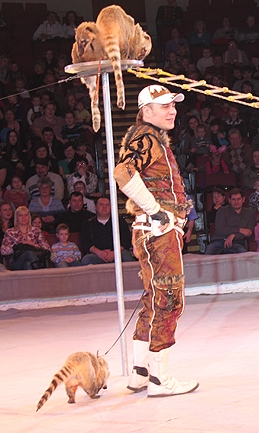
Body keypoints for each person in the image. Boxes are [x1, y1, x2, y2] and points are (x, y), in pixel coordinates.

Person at [110, 85, 198, 396]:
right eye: (164, 106)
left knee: (153, 298)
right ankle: (161, 379)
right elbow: (122, 173)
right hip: (158, 232)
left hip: (153, 231)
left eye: (173, 105)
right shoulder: (146, 137)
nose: (172, 110)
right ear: (146, 112)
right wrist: (157, 211)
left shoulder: (150, 138)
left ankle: (141, 372)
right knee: (170, 299)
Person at [80, 196, 133, 265]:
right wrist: (99, 253)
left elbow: (126, 240)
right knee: (86, 259)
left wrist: (114, 252)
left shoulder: (120, 222)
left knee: (126, 256)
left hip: (117, 253)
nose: (104, 207)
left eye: (107, 205)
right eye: (101, 204)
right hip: (97, 255)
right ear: (95, 207)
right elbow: (86, 243)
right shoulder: (88, 223)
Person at [205, 188, 255, 255]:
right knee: (207, 255)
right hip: (219, 241)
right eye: (233, 199)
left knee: (244, 256)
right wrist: (240, 230)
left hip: (237, 242)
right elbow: (220, 229)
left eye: (238, 199)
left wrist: (234, 235)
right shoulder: (222, 211)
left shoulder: (249, 213)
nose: (236, 202)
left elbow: (248, 232)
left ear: (243, 199)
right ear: (229, 200)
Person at [0, 206, 51, 270]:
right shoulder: (10, 232)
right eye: (20, 215)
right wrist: (19, 245)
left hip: (35, 257)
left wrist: (33, 244)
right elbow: (3, 251)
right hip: (17, 260)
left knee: (28, 264)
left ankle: (34, 268)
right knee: (28, 253)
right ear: (17, 217)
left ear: (29, 217)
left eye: (26, 215)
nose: (23, 217)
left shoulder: (36, 230)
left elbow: (47, 248)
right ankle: (38, 269)